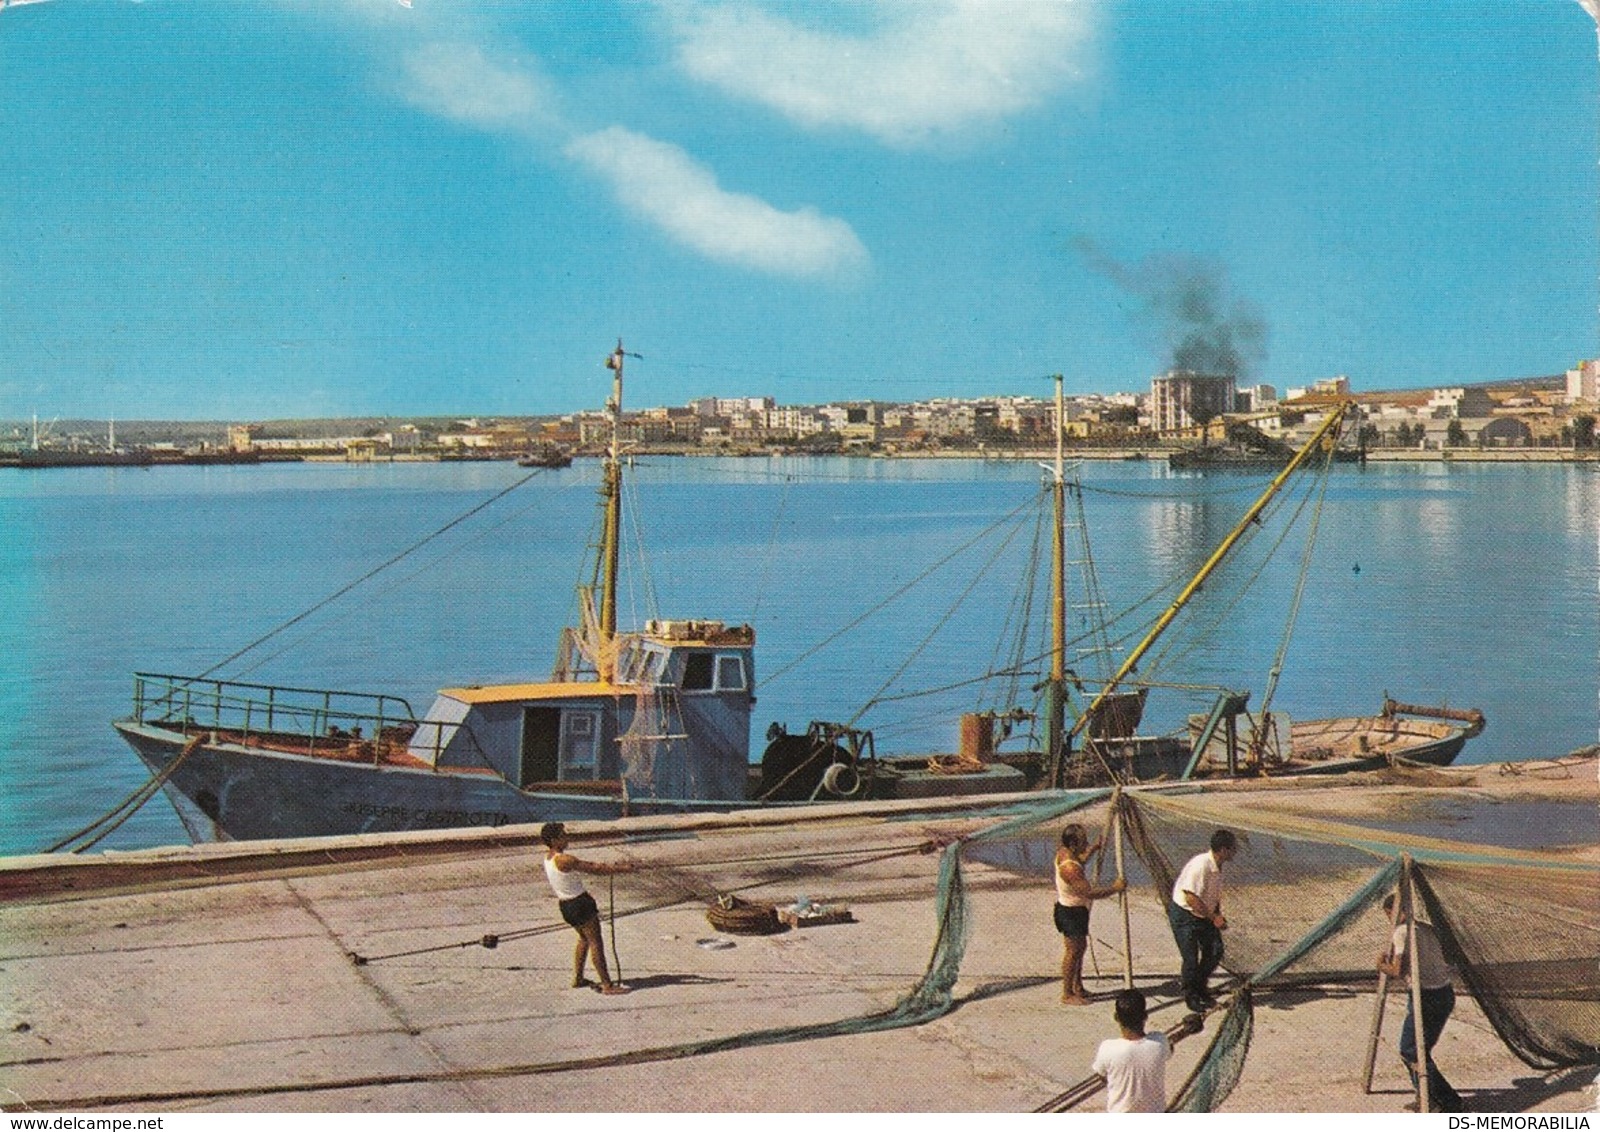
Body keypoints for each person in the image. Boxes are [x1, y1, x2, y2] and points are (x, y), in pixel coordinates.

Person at [1377, 892, 1466, 1112]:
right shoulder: (1427, 928)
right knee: (1420, 1050)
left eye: (1390, 915)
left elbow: (1397, 970)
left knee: (1410, 1050)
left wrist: (1381, 965)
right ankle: (1426, 1096)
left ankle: (1445, 1100)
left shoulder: (1400, 932)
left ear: (1396, 912)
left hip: (1425, 996)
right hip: (1445, 994)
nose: (1389, 920)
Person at [540, 821, 634, 995]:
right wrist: (622, 869)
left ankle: (578, 978)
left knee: (583, 939)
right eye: (563, 835)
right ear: (554, 840)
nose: (566, 837)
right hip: (580, 904)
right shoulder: (564, 859)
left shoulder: (548, 858)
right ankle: (607, 985)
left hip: (566, 905)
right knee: (595, 942)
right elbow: (595, 868)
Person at [1055, 822, 1127, 1004]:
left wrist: (1094, 849)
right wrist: (1115, 888)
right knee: (1073, 951)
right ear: (1073, 844)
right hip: (1071, 912)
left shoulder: (1066, 853)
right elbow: (1089, 892)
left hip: (1075, 909)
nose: (1085, 845)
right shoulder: (1069, 868)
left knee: (1080, 948)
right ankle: (1067, 993)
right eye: (1083, 842)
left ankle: (1077, 986)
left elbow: (1081, 860)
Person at [1167, 828, 1236, 1012]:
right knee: (1190, 958)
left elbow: (1213, 894)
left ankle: (1200, 986)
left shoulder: (1218, 866)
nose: (1235, 852)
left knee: (1215, 950)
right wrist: (1213, 918)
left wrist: (1217, 914)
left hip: (1203, 912)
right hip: (1185, 913)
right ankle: (1191, 995)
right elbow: (1191, 897)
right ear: (1223, 850)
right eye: (1232, 848)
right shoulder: (1201, 865)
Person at [1091, 988, 1171, 1113]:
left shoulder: (1108, 1048)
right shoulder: (1160, 1041)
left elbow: (1102, 1076)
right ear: (1145, 1017)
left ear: (1116, 1017)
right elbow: (1168, 1051)